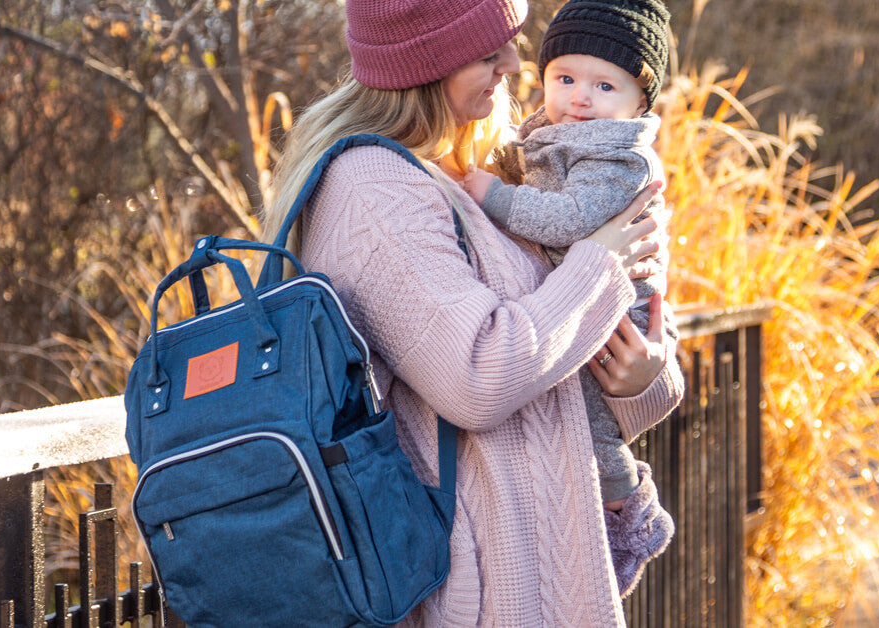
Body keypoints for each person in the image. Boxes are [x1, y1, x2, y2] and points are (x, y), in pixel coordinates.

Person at [259, 0, 685, 624]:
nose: (515, 63)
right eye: (488, 53)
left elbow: (584, 373)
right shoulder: (372, 189)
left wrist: (644, 376)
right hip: (484, 588)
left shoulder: (495, 167)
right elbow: (479, 376)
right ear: (427, 63)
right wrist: (602, 265)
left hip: (553, 562)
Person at [459, 0, 674, 535]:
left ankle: (623, 509)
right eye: (566, 77)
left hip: (619, 308)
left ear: (639, 101)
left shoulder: (619, 157)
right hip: (587, 293)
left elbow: (571, 219)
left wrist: (496, 197)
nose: (580, 96)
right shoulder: (555, 133)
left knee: (591, 424)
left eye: (605, 87)